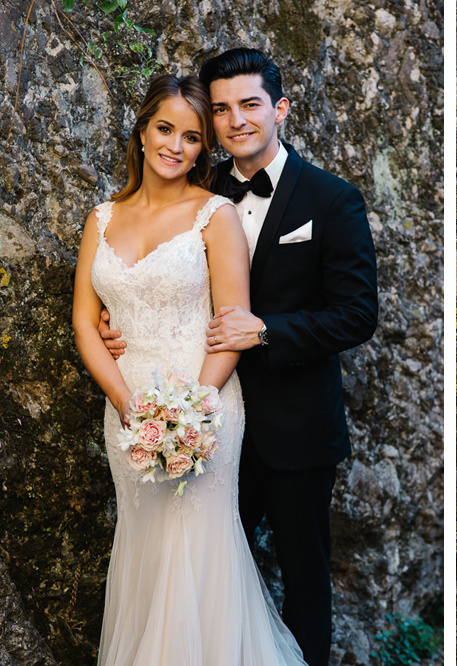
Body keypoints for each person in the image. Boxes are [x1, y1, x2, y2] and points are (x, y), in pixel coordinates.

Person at [101, 49, 379, 666]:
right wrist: (113, 308)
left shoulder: (333, 200)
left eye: (250, 105)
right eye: (221, 109)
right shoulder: (197, 194)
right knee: (197, 571)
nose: (236, 121)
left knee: (302, 575)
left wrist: (267, 332)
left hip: (291, 425)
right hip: (206, 415)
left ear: (279, 109)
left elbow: (358, 314)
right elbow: (154, 275)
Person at [73, 74, 306, 665]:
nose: (177, 146)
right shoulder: (101, 219)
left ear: (205, 148)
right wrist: (130, 406)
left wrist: (192, 412)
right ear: (143, 131)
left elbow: (233, 324)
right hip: (125, 408)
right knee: (146, 548)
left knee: (195, 550)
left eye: (194, 138)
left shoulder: (214, 214)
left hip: (204, 403)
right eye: (165, 129)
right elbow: (84, 323)